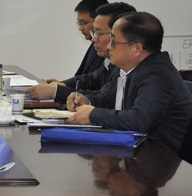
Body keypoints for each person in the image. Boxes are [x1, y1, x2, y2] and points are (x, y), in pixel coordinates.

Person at [68, 12, 192, 154]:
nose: (108, 46)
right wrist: (87, 101)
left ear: (137, 49)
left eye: (113, 41)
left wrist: (93, 114)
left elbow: (140, 120)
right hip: (138, 151)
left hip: (165, 158)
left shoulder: (157, 75)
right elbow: (109, 97)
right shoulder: (129, 68)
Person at [28, 2, 135, 103]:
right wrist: (61, 85)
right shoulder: (109, 62)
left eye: (100, 33)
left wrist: (55, 92)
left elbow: (107, 98)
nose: (94, 39)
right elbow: (90, 79)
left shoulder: (129, 67)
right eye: (94, 33)